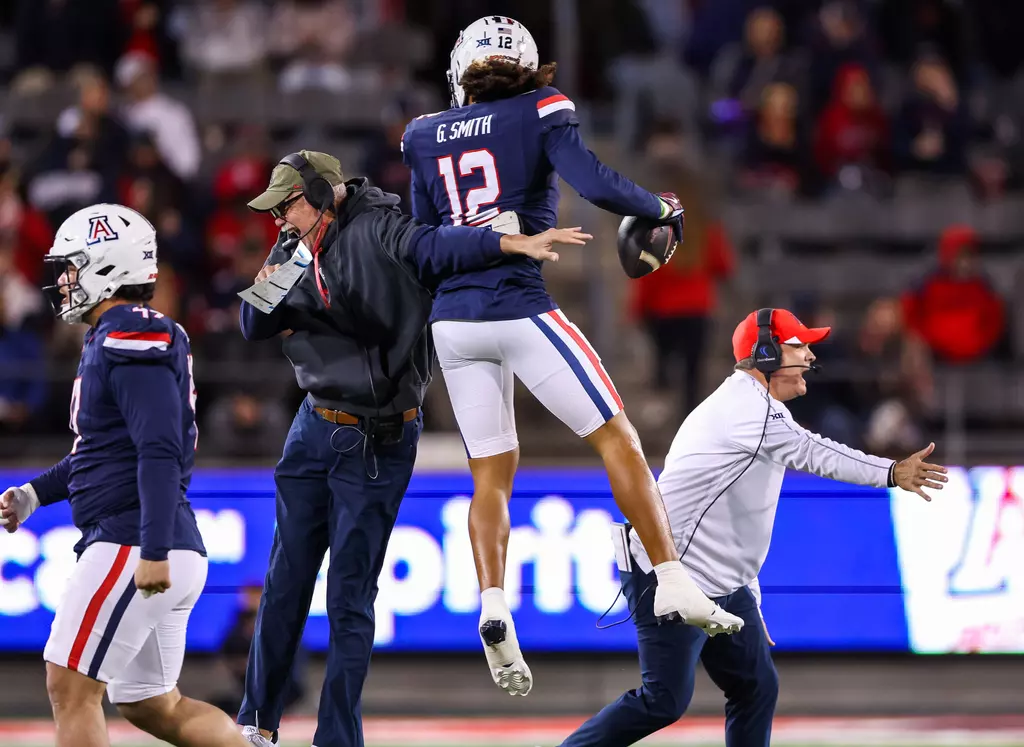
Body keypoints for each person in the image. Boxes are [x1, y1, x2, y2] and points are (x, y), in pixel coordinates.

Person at [400, 16, 744, 698]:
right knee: (618, 437)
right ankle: (673, 576)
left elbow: (419, 246)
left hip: (453, 324)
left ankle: (494, 601)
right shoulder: (542, 108)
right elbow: (592, 179)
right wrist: (661, 206)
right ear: (526, 66)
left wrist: (478, 242)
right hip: (518, 308)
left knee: (490, 474)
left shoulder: (422, 133)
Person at [236, 150, 588, 747]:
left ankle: (337, 740)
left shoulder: (383, 229)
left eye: (290, 204)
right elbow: (252, 324)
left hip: (376, 436)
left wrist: (509, 245)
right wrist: (298, 293)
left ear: (325, 193)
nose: (281, 220)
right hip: (312, 425)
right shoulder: (297, 244)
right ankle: (256, 724)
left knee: (350, 594)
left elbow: (440, 249)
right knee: (285, 581)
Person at [556, 308, 948, 747]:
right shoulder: (750, 409)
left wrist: (752, 602)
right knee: (663, 700)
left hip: (720, 578)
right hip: (671, 572)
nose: (809, 355)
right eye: (798, 346)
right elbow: (816, 452)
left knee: (755, 686)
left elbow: (735, 516)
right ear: (764, 354)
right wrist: (891, 471)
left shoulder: (754, 407)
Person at [0, 203, 248, 747]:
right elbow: (103, 455)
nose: (62, 279)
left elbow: (159, 450)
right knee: (151, 703)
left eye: (72, 266)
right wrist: (34, 495)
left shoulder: (129, 334)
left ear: (105, 266)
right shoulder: (113, 335)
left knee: (70, 685)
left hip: (134, 541)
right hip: (152, 539)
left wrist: (152, 548)